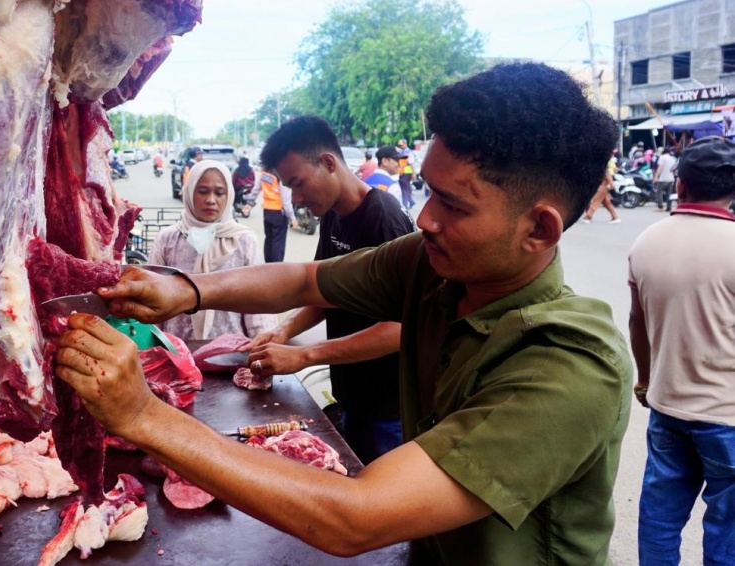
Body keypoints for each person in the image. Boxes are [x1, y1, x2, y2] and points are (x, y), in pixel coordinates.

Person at [55, 62, 632, 563]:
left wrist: (142, 417)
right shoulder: (433, 265)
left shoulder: (572, 366)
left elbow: (359, 517)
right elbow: (308, 279)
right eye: (427, 192)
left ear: (540, 228)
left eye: (452, 204)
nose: (426, 218)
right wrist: (185, 290)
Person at [239, 115, 415, 463]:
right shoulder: (334, 215)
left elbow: (401, 327)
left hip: (388, 405)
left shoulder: (383, 218)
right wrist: (283, 331)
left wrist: (306, 355)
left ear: (328, 162)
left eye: (299, 183)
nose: (297, 198)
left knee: (376, 504)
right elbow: (325, 292)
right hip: (352, 394)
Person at [628, 136, 735, 566]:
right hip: (727, 418)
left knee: (660, 518)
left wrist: (645, 378)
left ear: (681, 183)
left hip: (668, 409)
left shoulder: (646, 241)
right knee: (727, 527)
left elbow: (638, 323)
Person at [149, 159, 277, 340]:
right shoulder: (168, 239)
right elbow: (153, 298)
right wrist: (154, 348)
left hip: (231, 354)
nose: (211, 200)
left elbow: (259, 304)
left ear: (229, 196)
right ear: (189, 193)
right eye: (202, 192)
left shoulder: (244, 241)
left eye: (219, 193)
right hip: (176, 352)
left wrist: (261, 351)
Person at [245, 164, 297, 262]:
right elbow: (286, 200)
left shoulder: (264, 173)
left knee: (269, 239)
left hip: (267, 211)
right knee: (278, 242)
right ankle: (276, 268)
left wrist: (250, 203)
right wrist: (292, 218)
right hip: (278, 212)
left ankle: (268, 265)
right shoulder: (281, 175)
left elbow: (256, 189)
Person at [653, 146, 677, 211]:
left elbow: (660, 167)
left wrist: (656, 176)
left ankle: (660, 206)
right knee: (669, 194)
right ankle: (669, 207)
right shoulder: (672, 158)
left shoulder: (662, 157)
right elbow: (674, 168)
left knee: (659, 192)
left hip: (663, 178)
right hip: (671, 179)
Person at [396, 138, 416, 213]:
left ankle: (405, 206)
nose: (400, 146)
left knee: (404, 189)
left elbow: (411, 163)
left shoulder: (409, 152)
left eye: (401, 145)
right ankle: (411, 201)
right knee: (405, 188)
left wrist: (414, 173)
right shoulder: (401, 152)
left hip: (407, 173)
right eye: (399, 145)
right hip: (401, 173)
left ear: (405, 144)